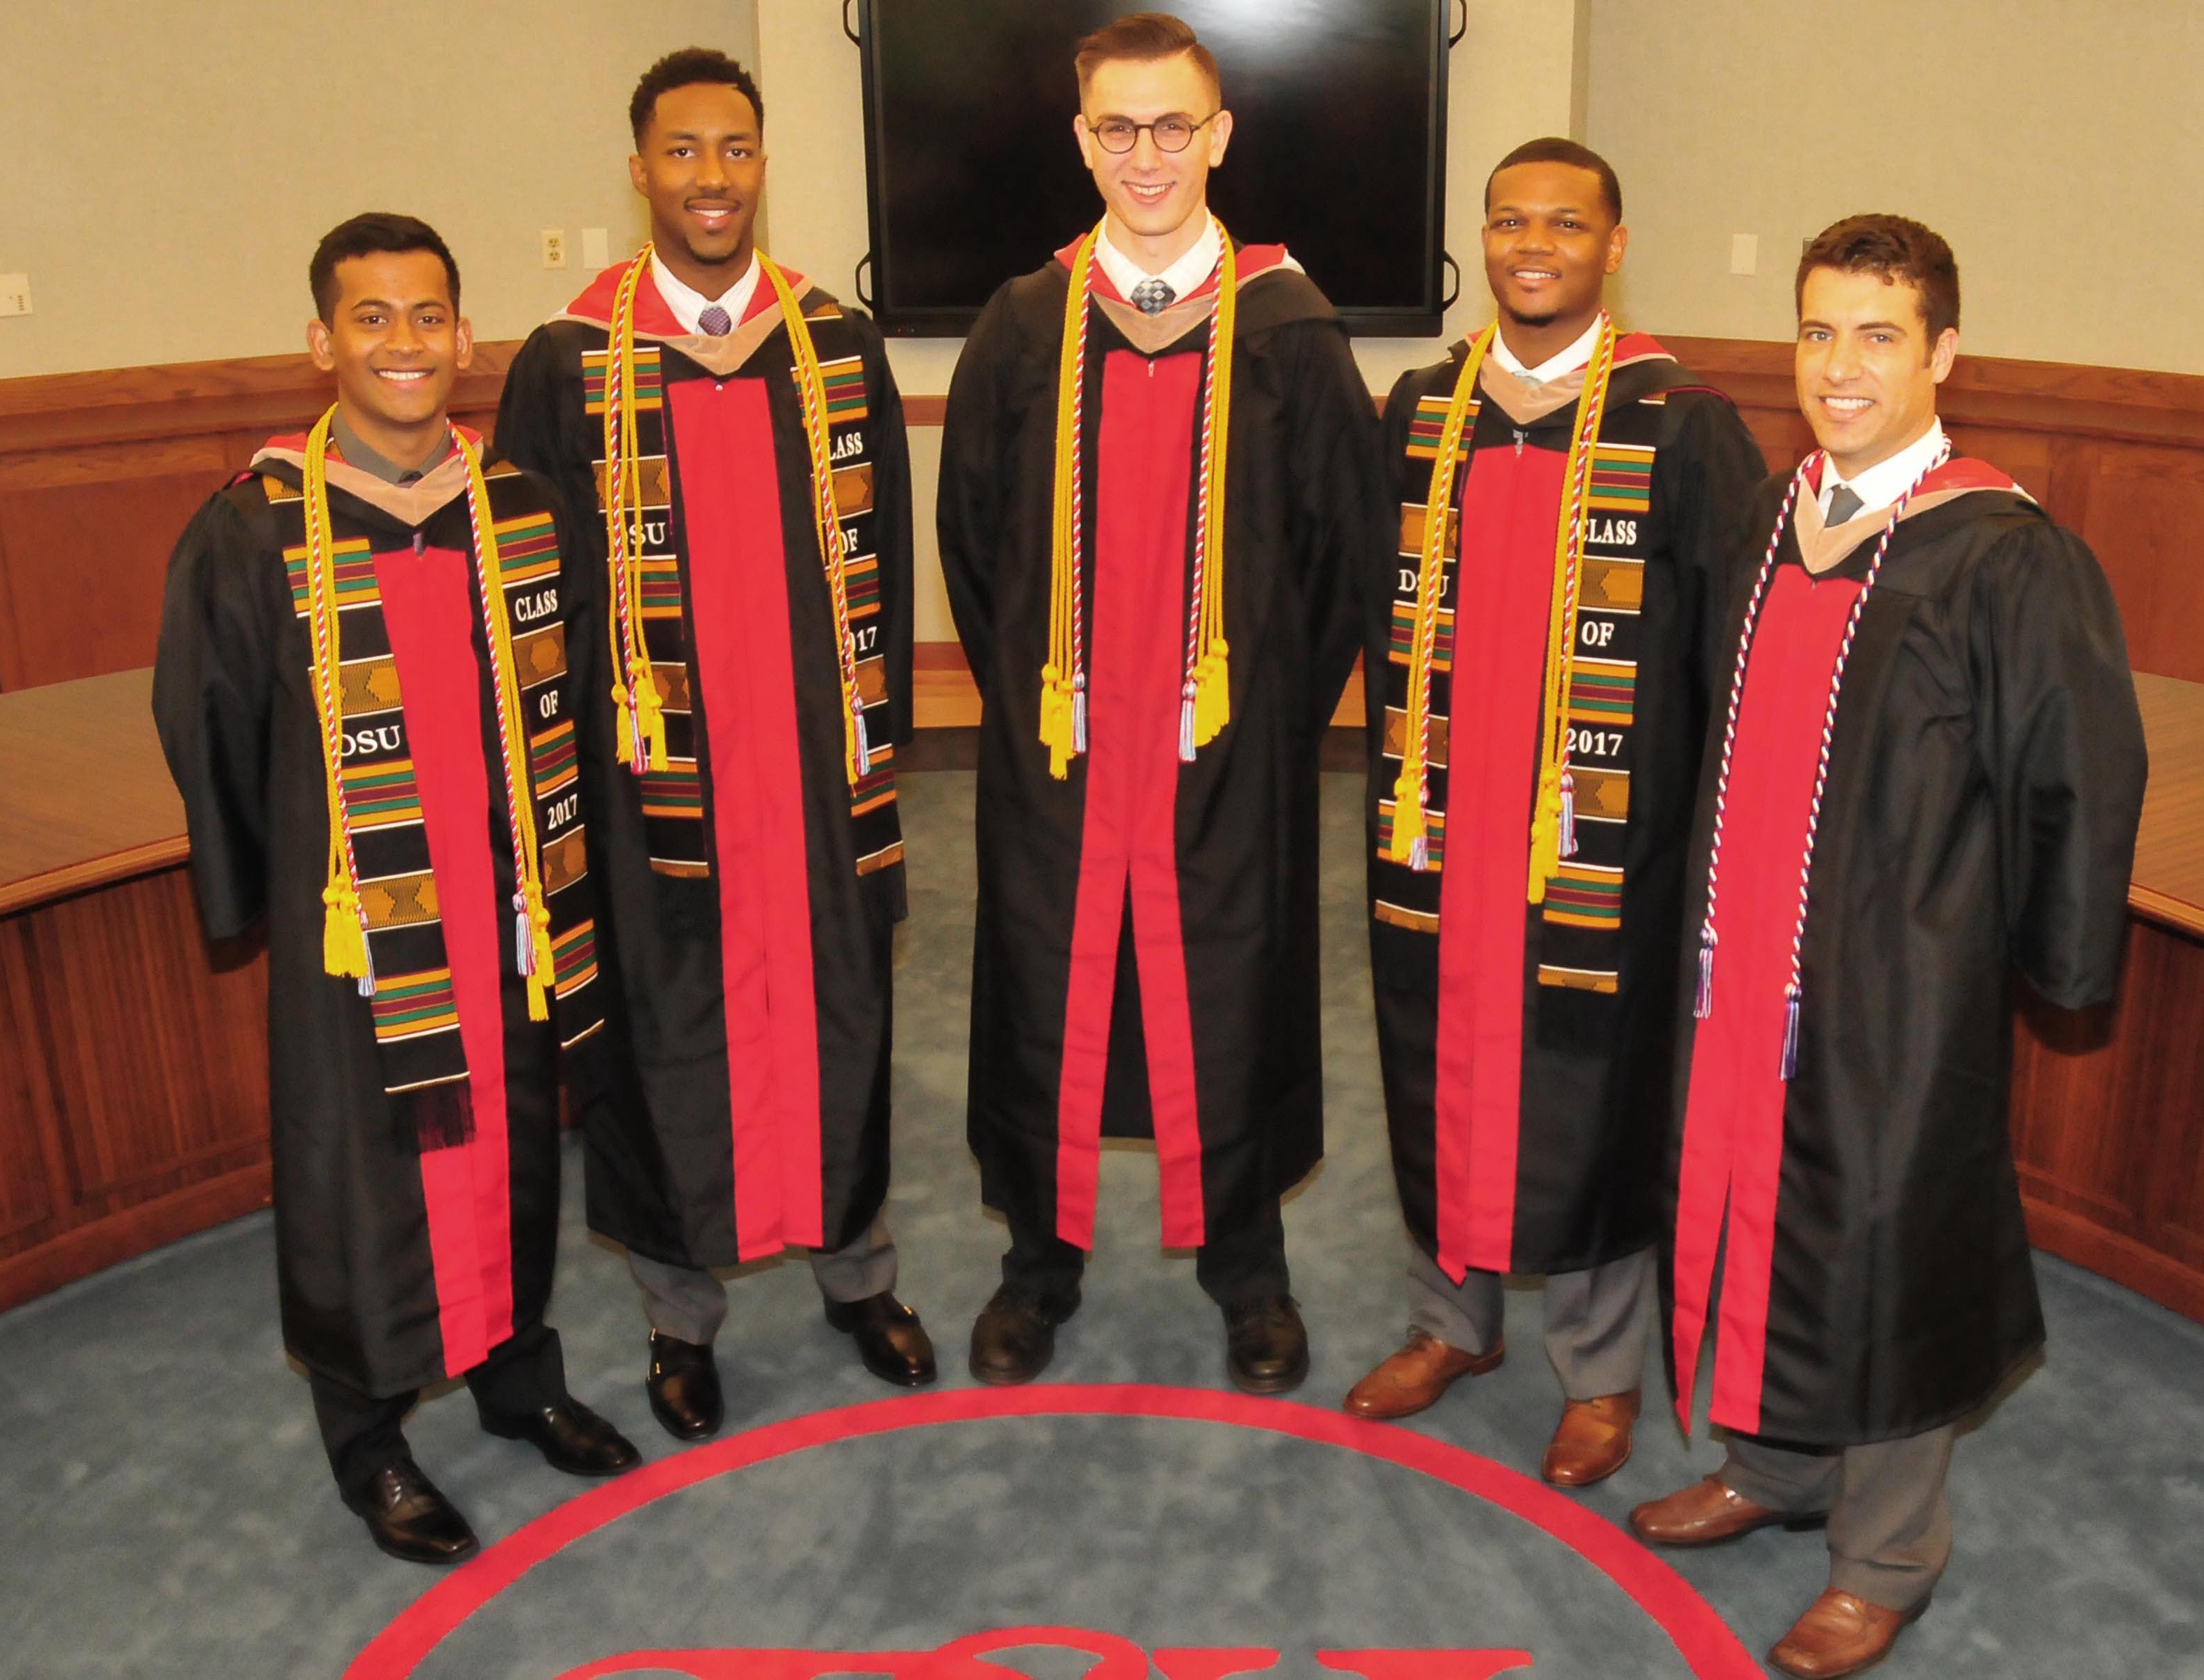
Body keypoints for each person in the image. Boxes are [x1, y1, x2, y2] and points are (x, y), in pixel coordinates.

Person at [1626, 215, 2147, 1679]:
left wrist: (2047, 970)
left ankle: (1888, 1552)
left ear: (1941, 355)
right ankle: (1776, 1464)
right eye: (1814, 330)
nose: (1836, 366)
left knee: (1882, 1240)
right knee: (1750, 1211)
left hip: (1895, 979)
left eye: (1873, 335)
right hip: (1738, 962)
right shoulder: (1765, 514)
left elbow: (2076, 774)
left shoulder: (2001, 553)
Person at [154, 213, 639, 1566]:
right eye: (371, 318)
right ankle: (368, 1443)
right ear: (323, 343)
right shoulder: (256, 531)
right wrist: (291, 897)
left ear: (465, 335)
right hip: (358, 929)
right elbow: (209, 723)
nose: (404, 343)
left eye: (428, 315)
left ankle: (517, 1379)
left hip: (506, 908)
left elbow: (586, 700)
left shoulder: (527, 510)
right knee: (360, 1179)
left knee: (512, 1147)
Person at [936, 13, 1384, 1392]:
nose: (1145, 155)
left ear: (1219, 135)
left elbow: (1344, 554)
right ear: (1080, 138)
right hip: (1059, 752)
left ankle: (1248, 1273)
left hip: (1226, 756)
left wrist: (1260, 723)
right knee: (1038, 994)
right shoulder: (1021, 324)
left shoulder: (1289, 330)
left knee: (1232, 993)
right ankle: (1037, 1267)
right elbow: (971, 541)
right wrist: (1035, 703)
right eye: (1116, 128)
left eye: (1171, 126)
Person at [493, 48, 930, 1446]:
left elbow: (884, 560)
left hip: (808, 764)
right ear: (638, 170)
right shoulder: (570, 362)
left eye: (733, 150)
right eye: (681, 152)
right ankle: (680, 1322)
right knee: (662, 1031)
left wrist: (878, 746)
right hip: (648, 781)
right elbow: (528, 592)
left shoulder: (831, 343)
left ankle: (859, 1280)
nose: (710, 179)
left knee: (837, 1006)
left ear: (760, 163)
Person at [1347, 139, 1763, 1488]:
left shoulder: (1683, 423)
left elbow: (1728, 651)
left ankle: (1598, 1373)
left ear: (1615, 244)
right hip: (1440, 821)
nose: (1536, 245)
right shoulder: (1421, 410)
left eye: (1566, 224)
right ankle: (1449, 1324)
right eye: (1512, 221)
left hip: (1603, 837)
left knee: (1597, 1082)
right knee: (1434, 1060)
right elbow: (1367, 604)